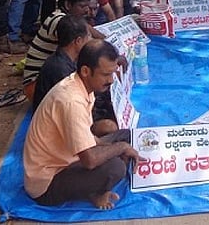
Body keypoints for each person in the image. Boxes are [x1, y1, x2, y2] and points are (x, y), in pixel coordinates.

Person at [24, 40, 141, 209]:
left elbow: (88, 136)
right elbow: (90, 161)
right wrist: (120, 148)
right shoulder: (71, 101)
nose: (111, 80)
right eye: (106, 74)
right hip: (47, 183)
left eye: (112, 73)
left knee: (127, 135)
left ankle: (95, 185)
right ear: (86, 71)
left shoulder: (80, 85)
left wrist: (112, 145)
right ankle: (95, 192)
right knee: (116, 167)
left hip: (69, 157)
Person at [32, 14, 119, 140]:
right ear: (78, 41)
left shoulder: (69, 59)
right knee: (109, 126)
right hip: (56, 130)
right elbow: (74, 111)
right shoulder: (61, 71)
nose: (91, 38)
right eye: (88, 36)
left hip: (67, 116)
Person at [23, 0, 104, 100]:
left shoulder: (68, 18)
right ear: (68, 5)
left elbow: (91, 32)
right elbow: (89, 46)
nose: (87, 11)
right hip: (36, 85)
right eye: (82, 6)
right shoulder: (60, 22)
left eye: (87, 6)